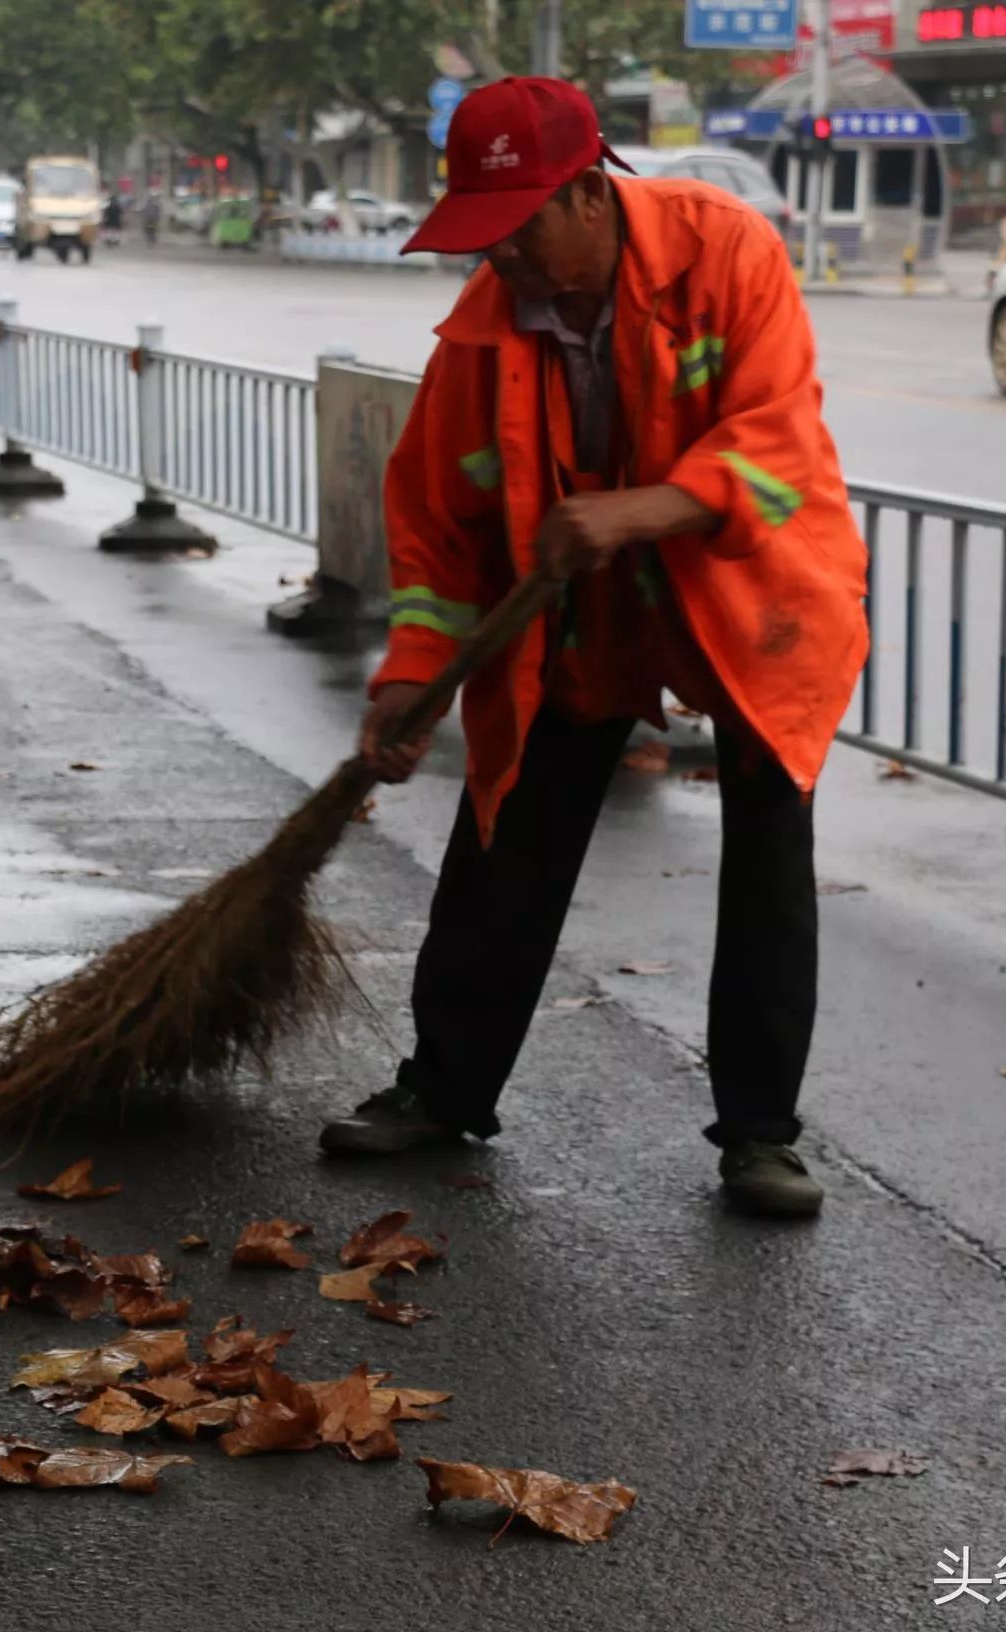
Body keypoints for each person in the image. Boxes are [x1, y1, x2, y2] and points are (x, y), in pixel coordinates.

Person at [317, 77, 869, 1221]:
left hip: (753, 596)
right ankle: (445, 1087)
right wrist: (411, 674)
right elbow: (436, 523)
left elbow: (778, 440)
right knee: (506, 832)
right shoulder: (488, 319)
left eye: (516, 229)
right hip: (586, 615)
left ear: (585, 193)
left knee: (769, 856)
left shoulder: (727, 252)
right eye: (481, 233)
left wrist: (642, 508)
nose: (500, 258)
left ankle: (760, 1137)